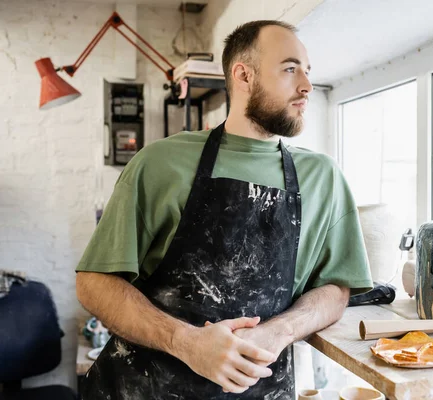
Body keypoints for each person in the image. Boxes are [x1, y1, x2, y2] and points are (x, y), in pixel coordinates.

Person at [75, 20, 373, 399]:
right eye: (289, 68)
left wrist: (277, 331)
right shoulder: (160, 163)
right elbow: (94, 282)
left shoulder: (323, 178)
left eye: (307, 72)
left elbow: (336, 287)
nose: (306, 86)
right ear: (243, 74)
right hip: (142, 387)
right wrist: (185, 342)